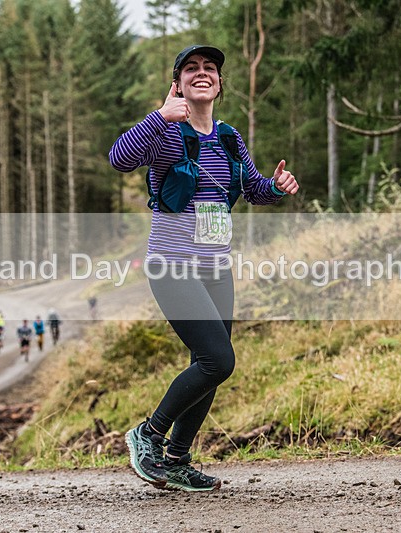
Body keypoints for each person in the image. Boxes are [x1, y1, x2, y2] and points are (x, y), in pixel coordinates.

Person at [109, 44, 298, 492]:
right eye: (191, 68)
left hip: (216, 268)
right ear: (177, 84)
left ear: (217, 82)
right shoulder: (164, 132)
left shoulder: (229, 138)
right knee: (218, 359)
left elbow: (252, 188)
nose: (201, 73)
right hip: (173, 265)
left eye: (209, 68)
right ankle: (148, 435)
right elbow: (119, 159)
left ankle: (176, 459)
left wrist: (277, 187)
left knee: (209, 363)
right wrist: (159, 115)